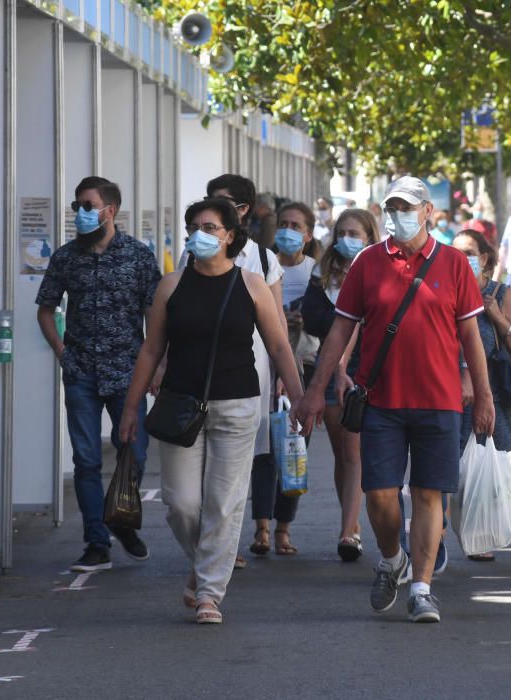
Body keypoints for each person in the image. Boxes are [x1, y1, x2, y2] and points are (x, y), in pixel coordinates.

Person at [295, 177, 494, 624]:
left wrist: (483, 395)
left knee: (428, 496)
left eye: (407, 207)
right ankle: (392, 558)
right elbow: (340, 331)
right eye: (391, 208)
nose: (397, 216)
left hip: (439, 402)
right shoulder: (367, 263)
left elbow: (471, 337)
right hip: (380, 400)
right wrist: (313, 392)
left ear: (428, 213)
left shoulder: (454, 265)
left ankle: (422, 588)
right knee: (380, 496)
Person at [118, 198, 302, 624]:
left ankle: (208, 594)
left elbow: (278, 347)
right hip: (180, 406)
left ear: (230, 236)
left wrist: (299, 397)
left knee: (225, 501)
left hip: (237, 404)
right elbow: (151, 350)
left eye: (211, 227)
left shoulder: (252, 285)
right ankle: (205, 567)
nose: (201, 233)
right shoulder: (171, 286)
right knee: (180, 502)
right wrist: (131, 407)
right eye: (195, 226)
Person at [35, 177, 160, 572]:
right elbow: (45, 308)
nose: (81, 212)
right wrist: (61, 350)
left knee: (134, 454)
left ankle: (120, 518)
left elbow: (156, 315)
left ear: (111, 210)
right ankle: (96, 542)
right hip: (81, 373)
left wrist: (158, 364)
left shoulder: (139, 256)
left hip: (128, 372)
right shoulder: (66, 257)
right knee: (86, 460)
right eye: (77, 205)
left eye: (88, 205)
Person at [197, 174, 288, 567]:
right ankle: (218, 547)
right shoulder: (196, 254)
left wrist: (287, 378)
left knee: (252, 460)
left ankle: (258, 528)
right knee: (213, 471)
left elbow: (279, 327)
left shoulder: (264, 260)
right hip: (203, 374)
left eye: (221, 202)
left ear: (242, 210)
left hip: (254, 375)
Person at [301, 208, 381, 561]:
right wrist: (346, 315)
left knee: (354, 453)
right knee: (342, 454)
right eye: (343, 233)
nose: (348, 239)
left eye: (356, 234)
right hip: (330, 365)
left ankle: (349, 531)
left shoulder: (380, 271)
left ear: (369, 238)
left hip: (369, 369)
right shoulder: (322, 275)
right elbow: (314, 318)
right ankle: (352, 524)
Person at [452, 229, 511, 561]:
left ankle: (480, 535)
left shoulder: (500, 294)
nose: (462, 259)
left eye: (469, 252)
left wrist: (497, 318)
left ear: (484, 258)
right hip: (449, 394)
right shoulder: (446, 290)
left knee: (488, 471)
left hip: (492, 396)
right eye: (455, 252)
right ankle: (437, 536)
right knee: (445, 470)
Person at [250, 200, 318, 556]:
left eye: (296, 226)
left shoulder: (314, 272)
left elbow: (327, 319)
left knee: (293, 448)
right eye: (284, 224)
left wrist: (306, 320)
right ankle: (261, 526)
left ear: (308, 235)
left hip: (304, 364)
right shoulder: (264, 264)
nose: (288, 231)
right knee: (264, 449)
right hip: (265, 363)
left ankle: (284, 529)